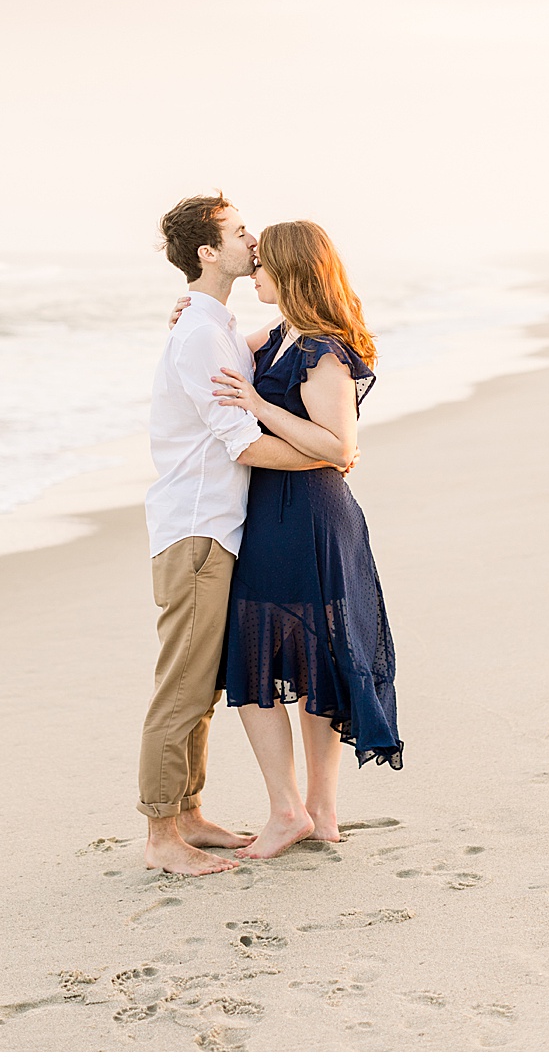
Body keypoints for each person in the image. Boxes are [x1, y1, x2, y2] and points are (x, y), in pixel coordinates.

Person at [140, 195, 345, 876]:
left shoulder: (218, 325)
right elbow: (244, 444)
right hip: (197, 528)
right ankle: (162, 835)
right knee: (183, 687)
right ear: (208, 252)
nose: (252, 240)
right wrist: (328, 456)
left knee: (201, 683)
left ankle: (189, 814)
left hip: (217, 528)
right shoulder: (203, 334)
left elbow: (292, 331)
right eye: (238, 232)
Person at [208, 219, 403, 860]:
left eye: (262, 264)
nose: (253, 273)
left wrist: (259, 407)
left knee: (270, 655)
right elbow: (220, 343)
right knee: (297, 658)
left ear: (290, 271)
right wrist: (193, 312)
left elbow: (339, 447)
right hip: (278, 512)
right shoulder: (278, 335)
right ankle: (311, 813)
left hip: (308, 518)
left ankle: (300, 811)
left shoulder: (322, 350)